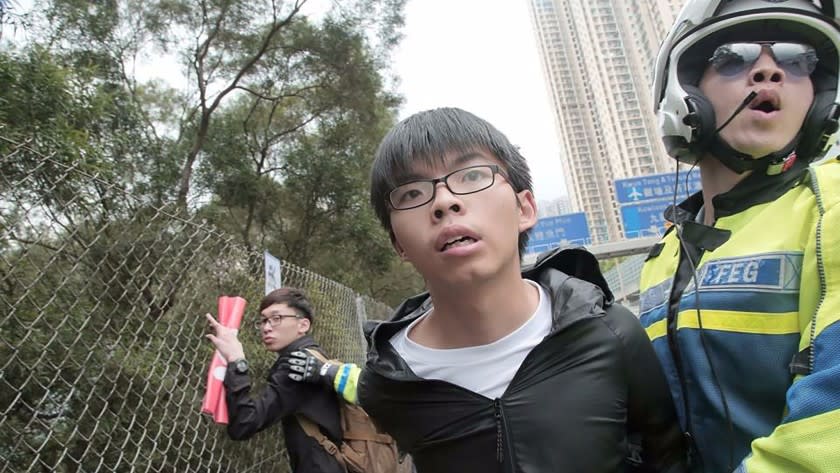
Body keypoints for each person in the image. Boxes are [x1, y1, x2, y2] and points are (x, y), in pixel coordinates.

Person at [289, 107, 687, 472]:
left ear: (525, 208)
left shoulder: (610, 334)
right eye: (412, 193)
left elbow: (667, 456)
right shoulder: (392, 380)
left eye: (472, 176)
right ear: (399, 244)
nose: (444, 202)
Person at [640, 0, 840, 472]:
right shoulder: (664, 255)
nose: (769, 72)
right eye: (733, 57)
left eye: (798, 60)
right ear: (684, 94)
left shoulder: (831, 206)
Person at [205, 287, 344, 473]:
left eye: (276, 318)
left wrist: (237, 361)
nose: (266, 327)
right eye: (263, 321)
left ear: (303, 325)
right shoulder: (315, 357)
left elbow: (244, 424)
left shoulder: (297, 366)